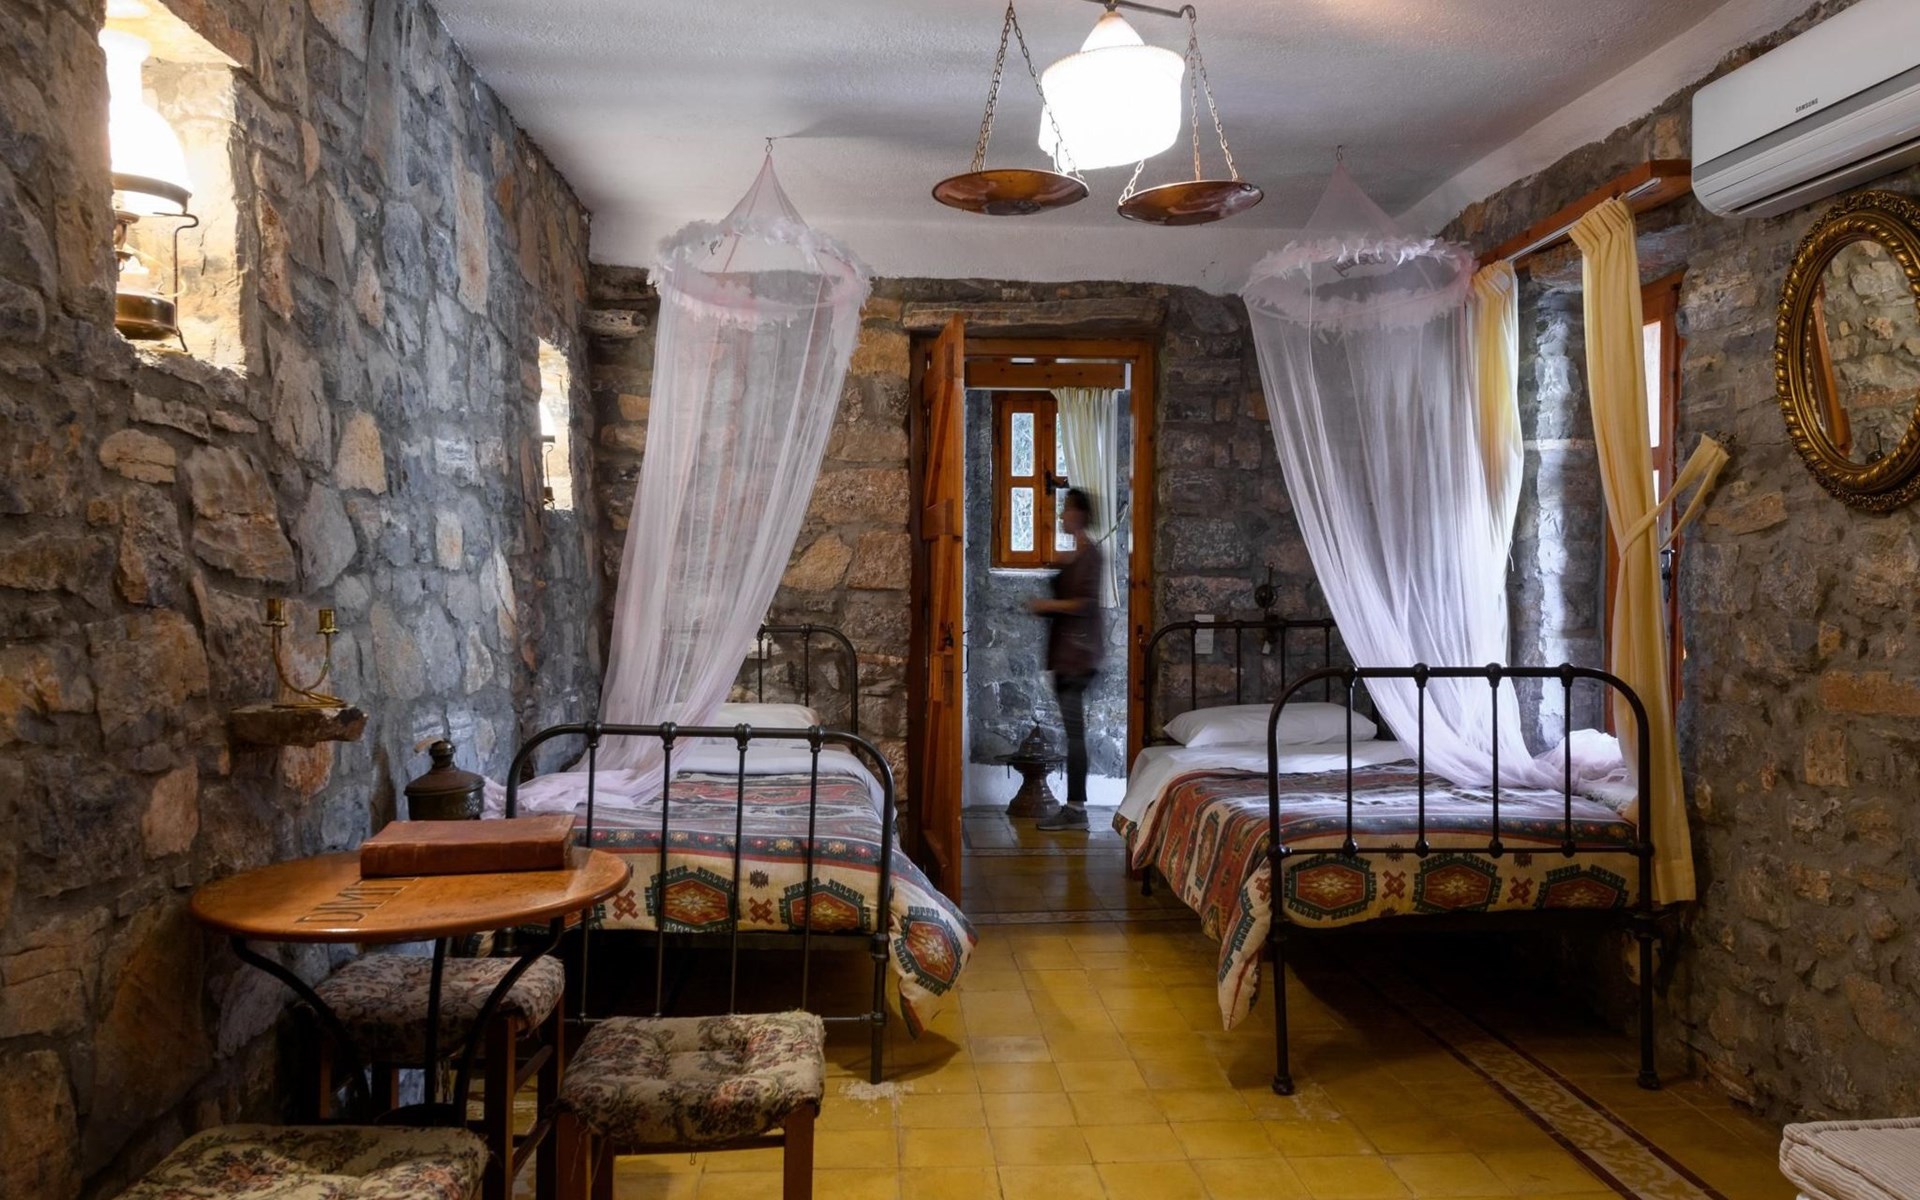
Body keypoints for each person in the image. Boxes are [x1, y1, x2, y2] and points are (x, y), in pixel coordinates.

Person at [1029, 488, 1104, 832]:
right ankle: (1075, 807)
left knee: (1075, 734)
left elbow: (1085, 603)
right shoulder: (1076, 554)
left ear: (1081, 515)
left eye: (1067, 510)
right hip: (1067, 653)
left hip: (1078, 656)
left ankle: (1076, 809)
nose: (1062, 515)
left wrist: (1048, 605)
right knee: (1073, 732)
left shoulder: (1091, 555)